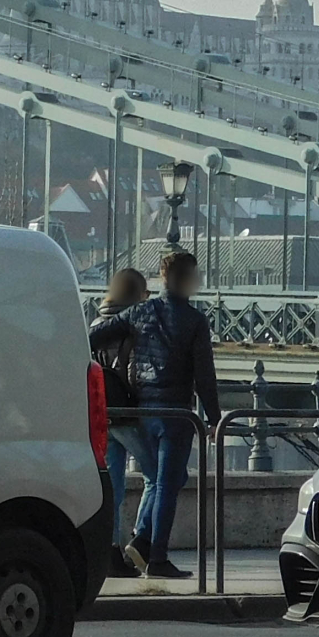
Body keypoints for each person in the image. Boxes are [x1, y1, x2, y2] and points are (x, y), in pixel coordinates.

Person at [86, 248, 220, 578]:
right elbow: (204, 376)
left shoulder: (140, 312)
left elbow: (92, 337)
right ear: (190, 280)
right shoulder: (195, 321)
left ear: (162, 278)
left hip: (144, 410)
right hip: (176, 412)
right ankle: (156, 555)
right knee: (167, 482)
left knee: (158, 480)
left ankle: (141, 544)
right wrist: (215, 419)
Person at [92, 269, 153, 577]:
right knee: (159, 475)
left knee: (112, 489)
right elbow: (135, 372)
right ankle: (142, 541)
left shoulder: (95, 323)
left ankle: (110, 553)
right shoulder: (132, 325)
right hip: (127, 412)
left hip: (104, 412)